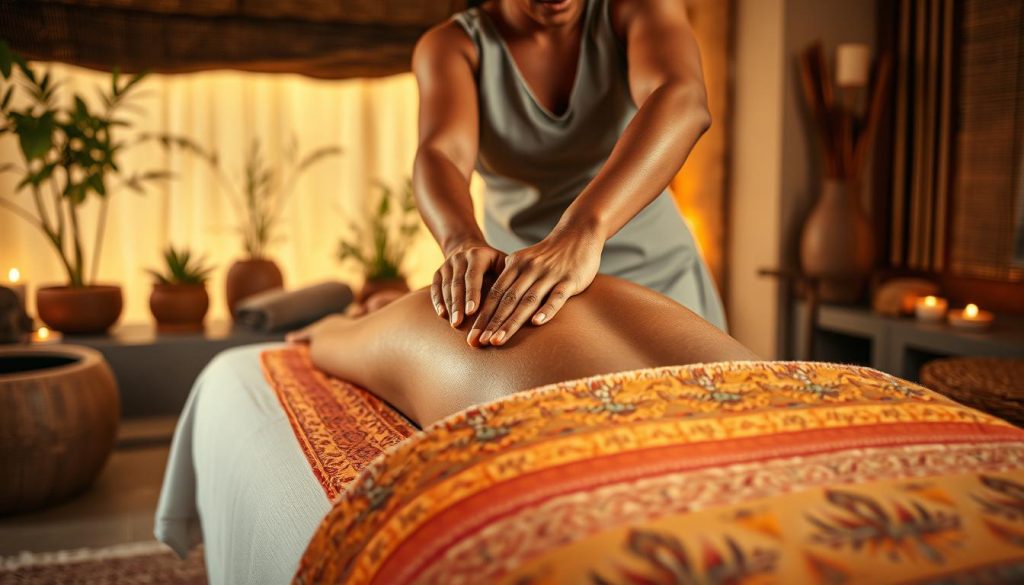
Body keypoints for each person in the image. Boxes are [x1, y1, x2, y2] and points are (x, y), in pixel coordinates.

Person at [413, 0, 726, 350]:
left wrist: (582, 229)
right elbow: (443, 153)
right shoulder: (454, 46)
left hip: (660, 277)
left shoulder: (637, 9)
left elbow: (683, 100)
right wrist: (462, 242)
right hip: (533, 288)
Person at [289, 275, 756, 427]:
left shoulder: (421, 310)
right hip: (620, 296)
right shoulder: (625, 300)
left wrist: (336, 324)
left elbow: (330, 340)